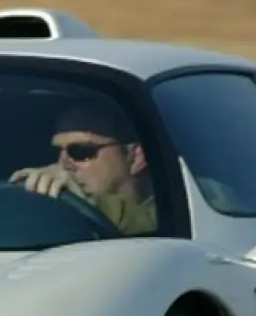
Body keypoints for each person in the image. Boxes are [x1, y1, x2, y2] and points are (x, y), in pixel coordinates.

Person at [9, 99, 157, 235]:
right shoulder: (46, 220)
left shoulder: (170, 212)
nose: (63, 164)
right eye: (56, 152)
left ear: (135, 157)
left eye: (81, 151)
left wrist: (86, 202)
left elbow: (147, 222)